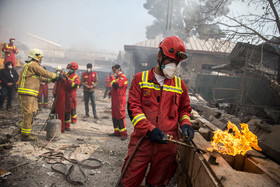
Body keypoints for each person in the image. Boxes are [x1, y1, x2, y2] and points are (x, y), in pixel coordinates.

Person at [120, 36, 194, 187]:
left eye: (176, 63)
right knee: (128, 181)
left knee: (157, 184)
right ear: (159, 56)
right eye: (170, 61)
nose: (173, 66)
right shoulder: (140, 79)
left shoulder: (180, 86)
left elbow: (184, 109)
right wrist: (149, 130)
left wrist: (186, 124)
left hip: (168, 145)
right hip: (142, 142)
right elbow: (134, 109)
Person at [18, 48, 61, 141]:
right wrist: (56, 76)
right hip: (27, 93)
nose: (41, 59)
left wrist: (52, 80)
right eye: (40, 57)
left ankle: (23, 129)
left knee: (33, 112)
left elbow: (41, 78)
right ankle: (25, 135)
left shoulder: (32, 67)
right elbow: (44, 72)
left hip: (31, 94)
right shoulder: (33, 65)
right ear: (36, 56)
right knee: (29, 113)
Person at [108, 64, 128, 140]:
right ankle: (116, 132)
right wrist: (111, 92)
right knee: (114, 115)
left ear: (118, 69)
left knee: (120, 116)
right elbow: (115, 88)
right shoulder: (117, 78)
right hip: (115, 100)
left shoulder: (123, 77)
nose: (113, 72)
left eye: (114, 70)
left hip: (120, 101)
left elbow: (116, 85)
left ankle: (123, 134)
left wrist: (111, 78)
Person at [63, 62, 81, 130]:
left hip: (71, 95)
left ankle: (68, 124)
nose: (68, 70)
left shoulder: (76, 77)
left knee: (71, 108)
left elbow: (76, 86)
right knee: (64, 108)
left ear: (74, 69)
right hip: (64, 94)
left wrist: (68, 80)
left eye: (70, 69)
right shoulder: (66, 75)